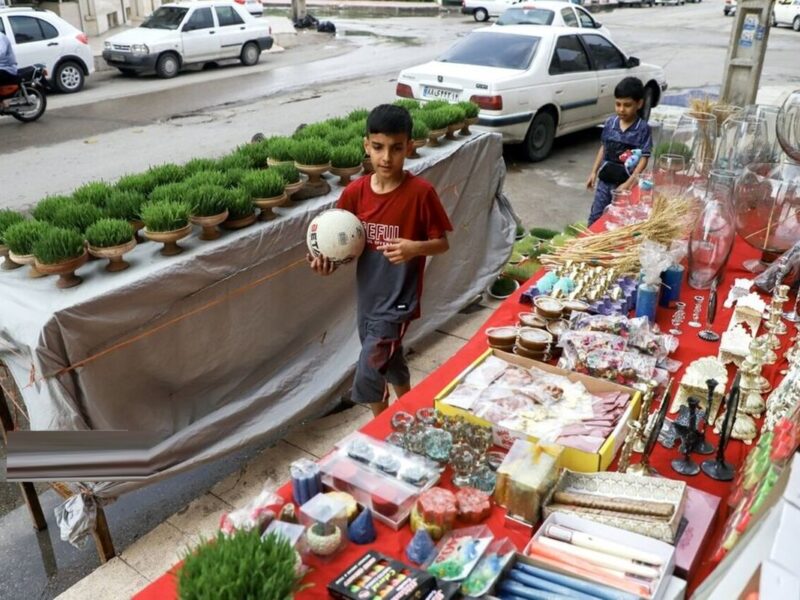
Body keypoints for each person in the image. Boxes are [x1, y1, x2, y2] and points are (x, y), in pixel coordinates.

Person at [308, 104, 452, 417]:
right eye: (378, 148)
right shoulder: (355, 193)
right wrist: (327, 263)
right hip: (369, 299)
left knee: (370, 369)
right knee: (392, 358)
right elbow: (343, 248)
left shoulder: (420, 194)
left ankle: (381, 427)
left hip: (399, 302)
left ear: (409, 148)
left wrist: (414, 248)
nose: (386, 158)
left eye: (396, 148)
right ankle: (415, 408)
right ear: (367, 147)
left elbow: (442, 244)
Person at [586, 77, 653, 226]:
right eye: (618, 104)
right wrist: (593, 172)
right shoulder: (610, 123)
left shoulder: (642, 129)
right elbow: (604, 147)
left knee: (619, 218)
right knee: (596, 215)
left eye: (627, 105)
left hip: (625, 183)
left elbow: (644, 158)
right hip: (605, 180)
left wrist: (629, 183)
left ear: (639, 104)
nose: (621, 109)